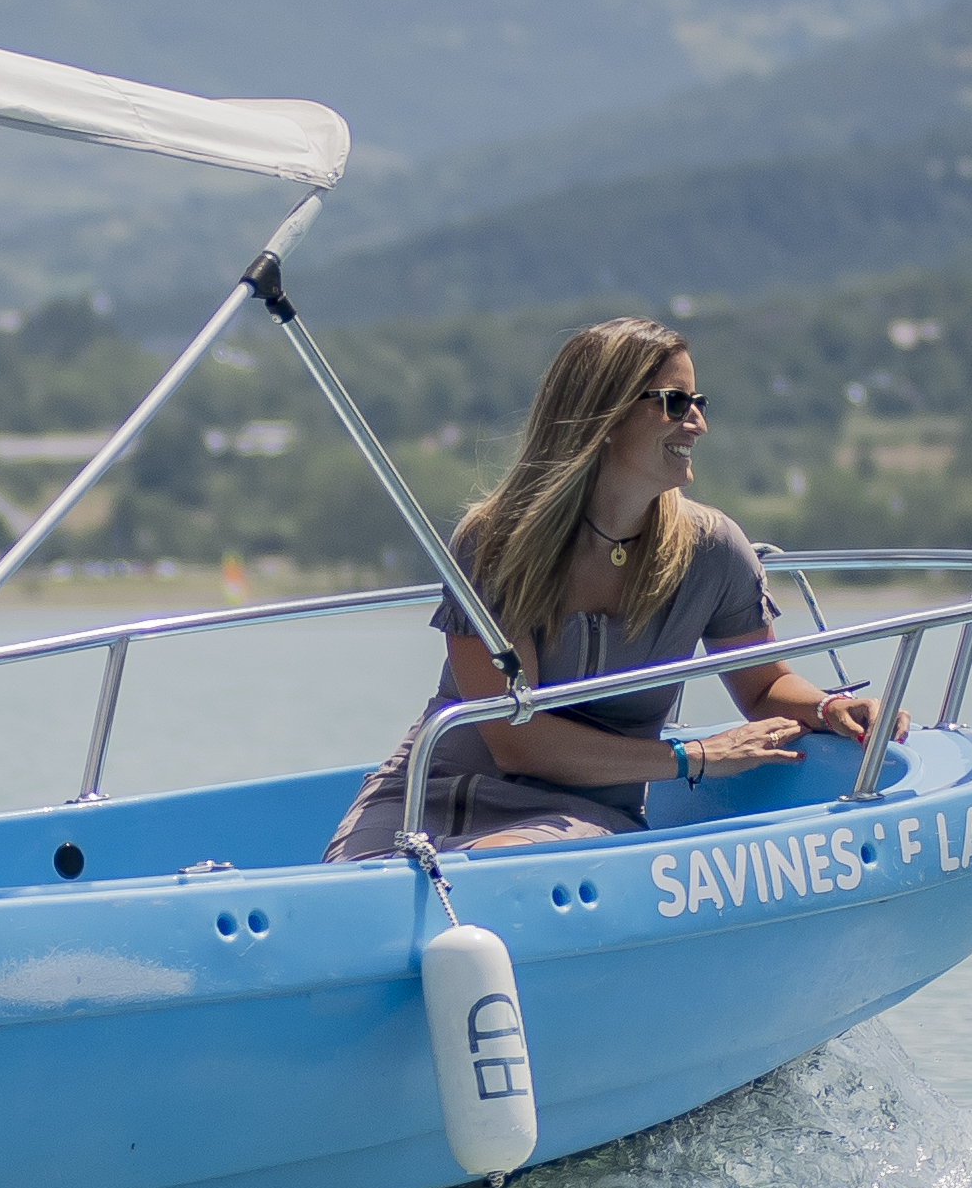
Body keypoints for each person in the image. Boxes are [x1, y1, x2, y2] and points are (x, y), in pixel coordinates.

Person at [323, 315, 873, 859]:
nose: (698, 423)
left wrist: (829, 709)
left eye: (700, 403)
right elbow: (517, 740)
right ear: (603, 418)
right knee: (354, 897)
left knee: (489, 873)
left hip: (582, 817)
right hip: (425, 796)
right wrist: (693, 757)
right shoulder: (495, 543)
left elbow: (761, 686)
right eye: (675, 403)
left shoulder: (713, 550)